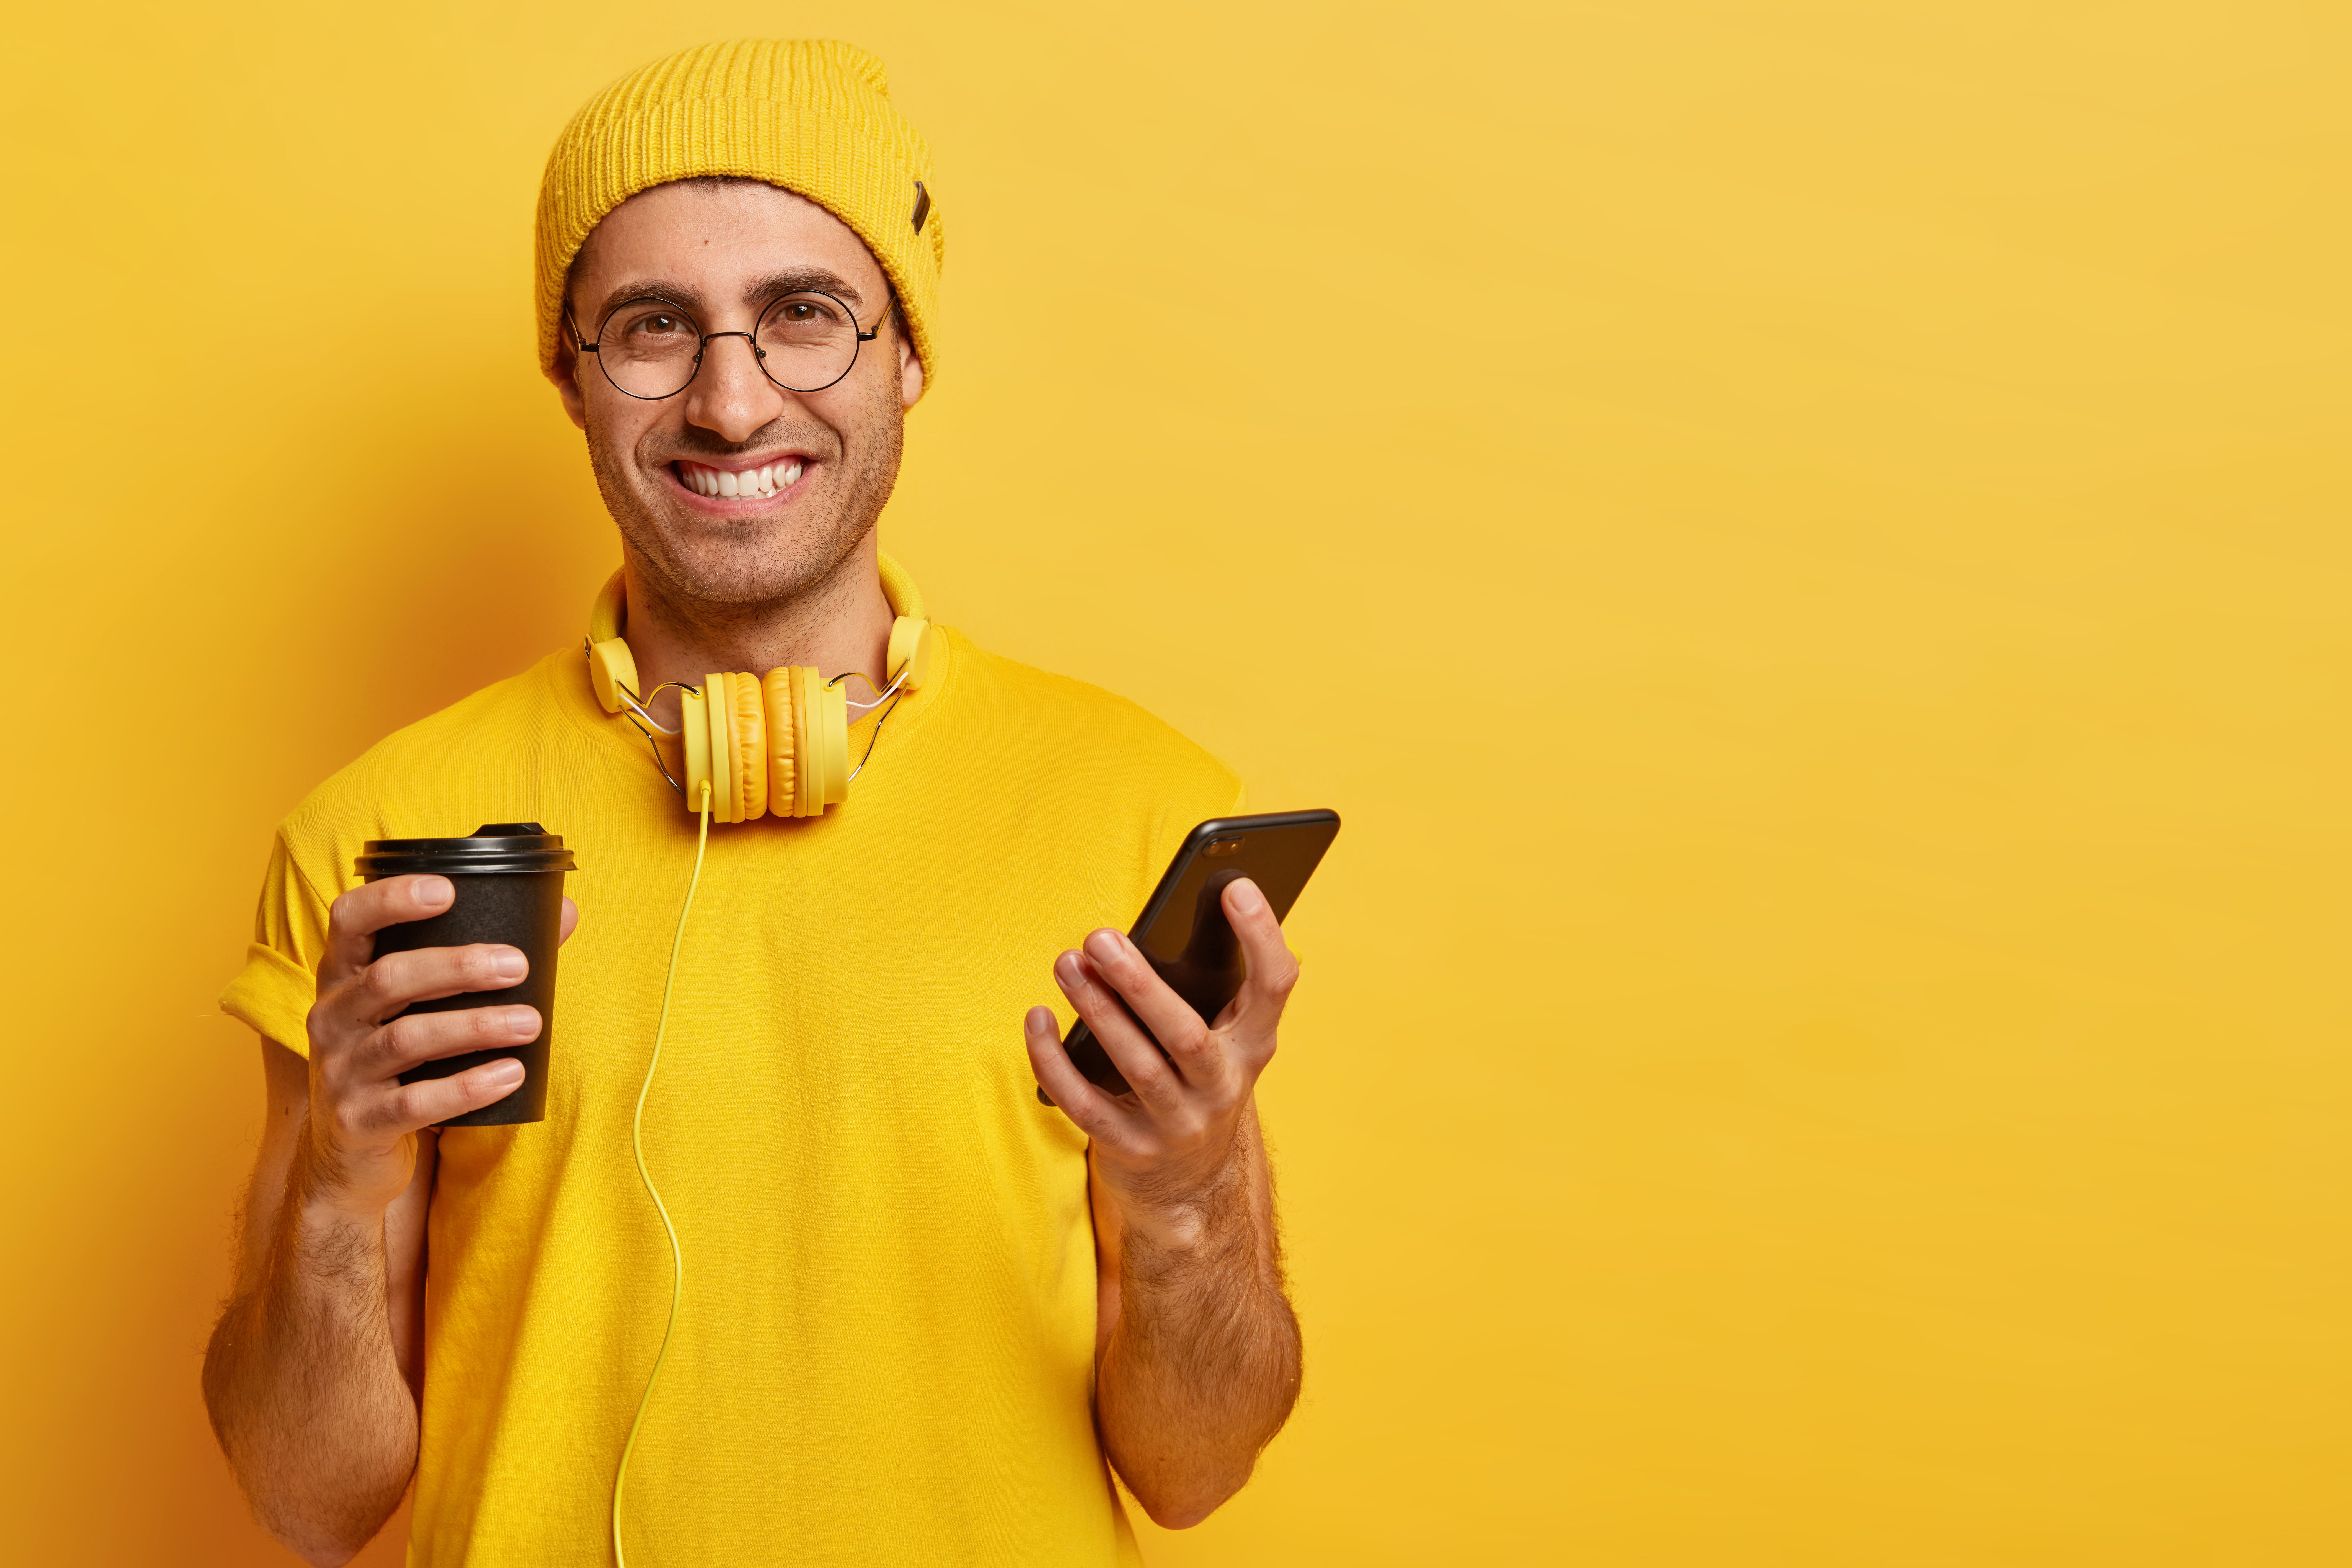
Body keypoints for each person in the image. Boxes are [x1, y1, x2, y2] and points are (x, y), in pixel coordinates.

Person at [201, 40, 1305, 1567]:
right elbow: (306, 1501)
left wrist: (1188, 1200)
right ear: (569, 375)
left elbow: (1198, 1467)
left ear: (908, 353)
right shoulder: (384, 843)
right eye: (653, 328)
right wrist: (337, 1185)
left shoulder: (1141, 811)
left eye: (806, 318)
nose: (732, 402)